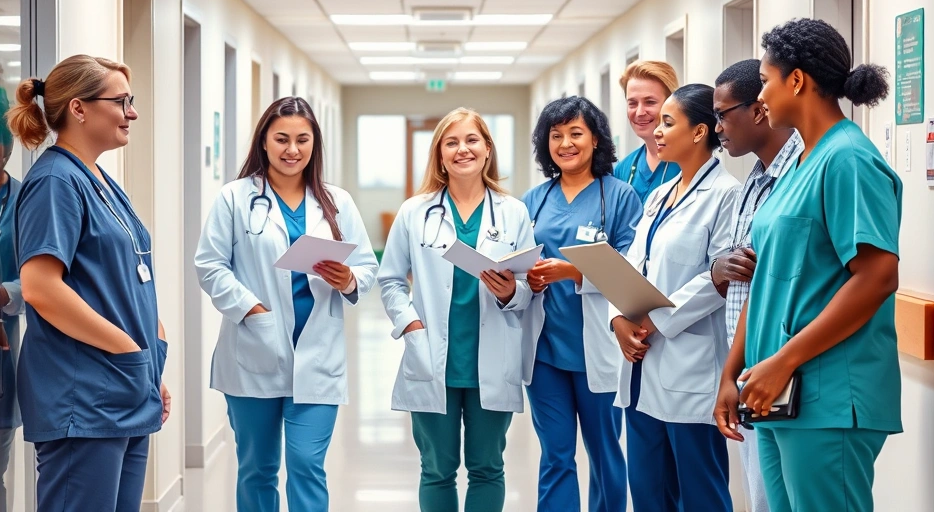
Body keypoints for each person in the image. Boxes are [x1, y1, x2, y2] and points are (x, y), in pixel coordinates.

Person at [715, 18, 902, 512]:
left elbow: (878, 275)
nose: (761, 96)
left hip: (825, 394)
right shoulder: (802, 163)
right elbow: (770, 279)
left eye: (765, 80)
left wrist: (785, 360)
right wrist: (734, 373)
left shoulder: (848, 159)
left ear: (796, 81)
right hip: (776, 391)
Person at [195, 96, 378, 512]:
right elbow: (209, 265)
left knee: (307, 465)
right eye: (281, 139)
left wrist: (348, 278)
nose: (292, 149)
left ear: (314, 144)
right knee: (256, 469)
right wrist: (251, 308)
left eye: (302, 139)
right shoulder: (235, 198)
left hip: (318, 356)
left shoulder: (337, 202)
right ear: (263, 142)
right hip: (253, 350)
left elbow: (366, 267)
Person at [8, 55, 169, 512]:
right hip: (85, 396)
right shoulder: (56, 181)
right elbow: (40, 287)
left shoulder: (99, 178)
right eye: (121, 101)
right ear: (79, 109)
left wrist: (150, 359)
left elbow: (125, 275)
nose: (132, 112)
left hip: (127, 385)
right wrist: (127, 350)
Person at [377, 107, 535, 512]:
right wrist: (409, 323)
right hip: (432, 358)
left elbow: (530, 287)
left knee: (487, 467)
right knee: (436, 469)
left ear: (487, 150)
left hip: (491, 361)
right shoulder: (415, 211)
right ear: (440, 155)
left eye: (471, 140)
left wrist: (508, 293)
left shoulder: (513, 211)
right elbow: (391, 279)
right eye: (452, 142)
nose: (462, 149)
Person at [610, 84, 739, 512]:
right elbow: (630, 265)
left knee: (700, 494)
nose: (657, 133)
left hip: (690, 369)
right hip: (640, 367)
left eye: (668, 122)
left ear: (700, 131)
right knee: (647, 493)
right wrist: (619, 319)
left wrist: (653, 321)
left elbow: (719, 278)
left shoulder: (726, 195)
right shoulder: (661, 195)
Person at [520, 96, 642, 512]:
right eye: (556, 136)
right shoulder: (532, 199)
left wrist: (574, 273)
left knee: (606, 452)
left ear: (595, 140)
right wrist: (523, 278)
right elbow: (517, 260)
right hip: (545, 351)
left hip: (598, 348)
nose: (566, 143)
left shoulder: (620, 196)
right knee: (555, 455)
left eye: (576, 133)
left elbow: (631, 271)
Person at [708, 59, 804, 512]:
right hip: (749, 368)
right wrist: (721, 269)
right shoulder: (753, 181)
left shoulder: (802, 172)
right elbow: (737, 281)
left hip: (785, 371)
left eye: (723, 115)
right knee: (762, 498)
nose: (718, 128)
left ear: (758, 111)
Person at [0, 83, 23, 512]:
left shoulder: (22, 201)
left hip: (2, 348)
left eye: (0, 140)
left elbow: (40, 280)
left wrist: (1, 294)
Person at [613, 61, 680, 203]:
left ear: (671, 104)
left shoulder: (687, 164)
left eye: (650, 102)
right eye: (632, 103)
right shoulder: (623, 169)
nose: (639, 112)